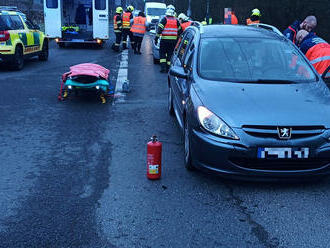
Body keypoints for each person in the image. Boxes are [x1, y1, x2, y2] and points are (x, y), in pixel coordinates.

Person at [155, 5, 182, 73]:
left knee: (162, 53)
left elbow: (159, 30)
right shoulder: (176, 20)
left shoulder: (164, 19)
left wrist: (156, 38)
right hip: (173, 41)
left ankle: (163, 68)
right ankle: (168, 68)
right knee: (170, 54)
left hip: (164, 40)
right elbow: (180, 31)